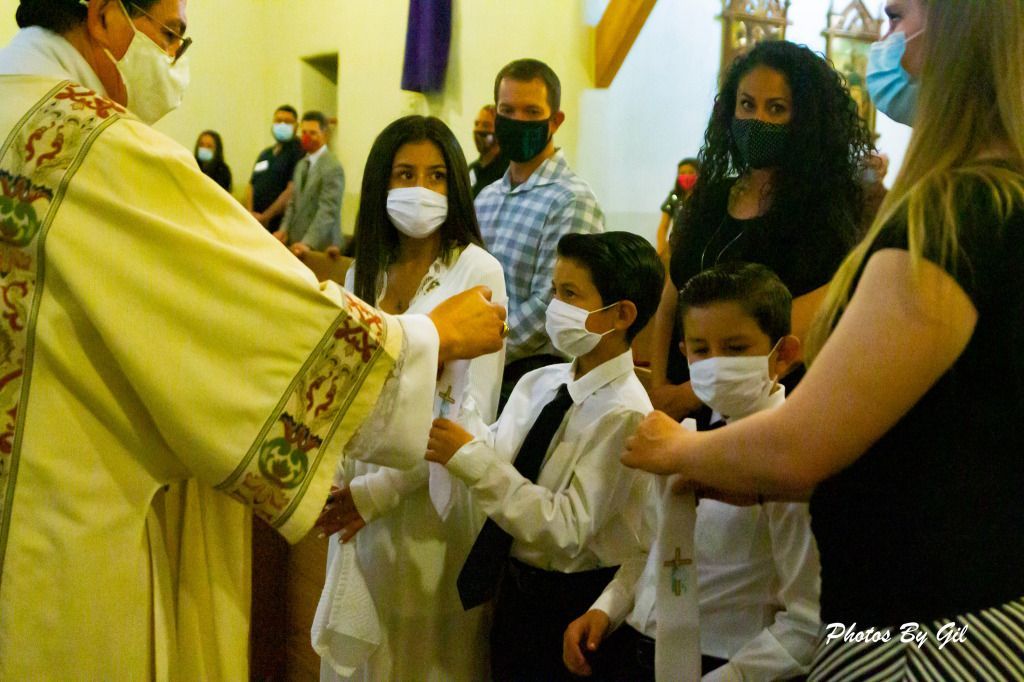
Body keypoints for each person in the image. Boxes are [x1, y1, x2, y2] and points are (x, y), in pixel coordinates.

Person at [0, 1, 505, 678]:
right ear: (102, 16)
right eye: (171, 35)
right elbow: (237, 320)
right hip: (66, 537)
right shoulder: (93, 146)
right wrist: (424, 338)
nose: (175, 60)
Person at [624, 1, 1024, 679]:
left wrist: (679, 447)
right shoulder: (1005, 196)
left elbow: (800, 446)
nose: (885, 38)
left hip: (917, 634)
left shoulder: (952, 214)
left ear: (957, 26)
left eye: (898, 14)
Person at [312, 115, 506, 681]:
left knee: (419, 659)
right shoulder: (362, 274)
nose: (422, 188)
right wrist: (338, 479)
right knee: (357, 662)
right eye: (405, 173)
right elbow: (345, 386)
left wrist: (375, 494)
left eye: (437, 175)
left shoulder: (476, 269)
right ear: (381, 184)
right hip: (355, 499)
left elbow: (468, 417)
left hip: (426, 504)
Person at [566, 262, 820, 681]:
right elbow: (654, 548)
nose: (715, 363)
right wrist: (606, 608)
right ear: (684, 353)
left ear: (784, 354)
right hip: (635, 646)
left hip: (724, 661)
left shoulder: (790, 464)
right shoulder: (676, 438)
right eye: (701, 349)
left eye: (736, 349)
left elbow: (807, 623)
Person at [426, 231, 663, 681]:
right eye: (555, 291)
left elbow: (567, 527)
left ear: (621, 314)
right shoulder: (541, 383)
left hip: (571, 600)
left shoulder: (625, 415)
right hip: (515, 589)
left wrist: (469, 458)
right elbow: (494, 450)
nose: (556, 306)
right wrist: (447, 379)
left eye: (570, 294)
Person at [646, 40, 872, 424]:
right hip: (677, 402)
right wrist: (658, 386)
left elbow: (798, 325)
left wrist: (689, 395)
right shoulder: (711, 196)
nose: (757, 120)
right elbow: (672, 295)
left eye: (776, 108)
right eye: (747, 104)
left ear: (804, 121)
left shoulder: (825, 213)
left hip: (764, 413)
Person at [475, 58, 605, 409]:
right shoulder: (485, 199)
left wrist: (475, 345)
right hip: (478, 366)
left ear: (555, 120)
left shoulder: (571, 199)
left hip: (532, 382)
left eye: (531, 112)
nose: (517, 121)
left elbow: (550, 303)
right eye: (508, 110)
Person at [276, 109, 346, 258]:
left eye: (313, 133)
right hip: (297, 243)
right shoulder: (301, 164)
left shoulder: (333, 166)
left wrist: (308, 243)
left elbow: (328, 210)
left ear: (324, 135)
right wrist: (283, 230)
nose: (307, 137)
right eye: (304, 132)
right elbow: (292, 203)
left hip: (322, 247)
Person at [245, 104, 305, 233]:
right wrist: (250, 214)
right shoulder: (265, 154)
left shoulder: (299, 152)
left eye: (287, 122)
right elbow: (251, 185)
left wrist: (266, 216)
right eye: (278, 121)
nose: (282, 125)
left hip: (279, 225)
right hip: (255, 222)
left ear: (296, 126)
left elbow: (291, 190)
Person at [655, 157, 699, 255]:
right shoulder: (674, 197)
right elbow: (663, 226)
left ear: (699, 174)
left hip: (698, 247)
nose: (686, 176)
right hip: (677, 247)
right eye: (682, 173)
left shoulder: (705, 197)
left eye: (691, 172)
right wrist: (661, 245)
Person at [467, 103, 509, 197]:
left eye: (486, 125)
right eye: (476, 124)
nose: (478, 129)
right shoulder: (471, 169)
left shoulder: (508, 172)